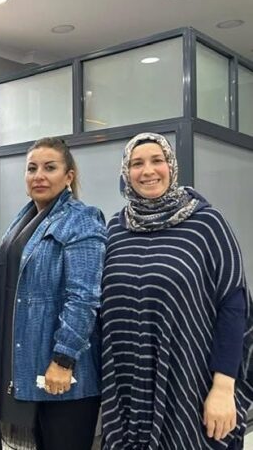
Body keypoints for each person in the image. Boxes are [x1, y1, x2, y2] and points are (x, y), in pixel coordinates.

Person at [101, 132, 253, 450]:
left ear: (171, 166)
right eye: (137, 163)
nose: (148, 171)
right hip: (126, 383)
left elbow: (233, 304)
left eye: (157, 160)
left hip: (190, 379)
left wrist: (224, 386)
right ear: (126, 172)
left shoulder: (207, 223)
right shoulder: (115, 228)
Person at [0, 137, 106, 450]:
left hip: (64, 374)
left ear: (69, 176)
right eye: (32, 168)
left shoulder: (81, 219)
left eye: (50, 168)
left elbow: (83, 297)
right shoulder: (25, 218)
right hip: (31, 365)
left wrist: (63, 359)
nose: (39, 176)